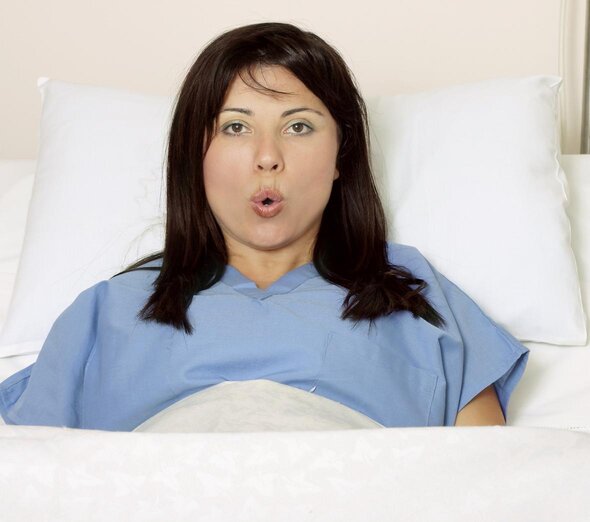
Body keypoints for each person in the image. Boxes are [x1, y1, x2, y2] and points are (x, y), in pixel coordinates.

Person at [0, 22, 529, 431]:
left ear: (342, 153)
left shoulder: (415, 294)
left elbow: (484, 478)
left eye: (298, 126)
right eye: (235, 127)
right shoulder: (107, 311)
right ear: (195, 155)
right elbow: (34, 476)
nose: (267, 156)